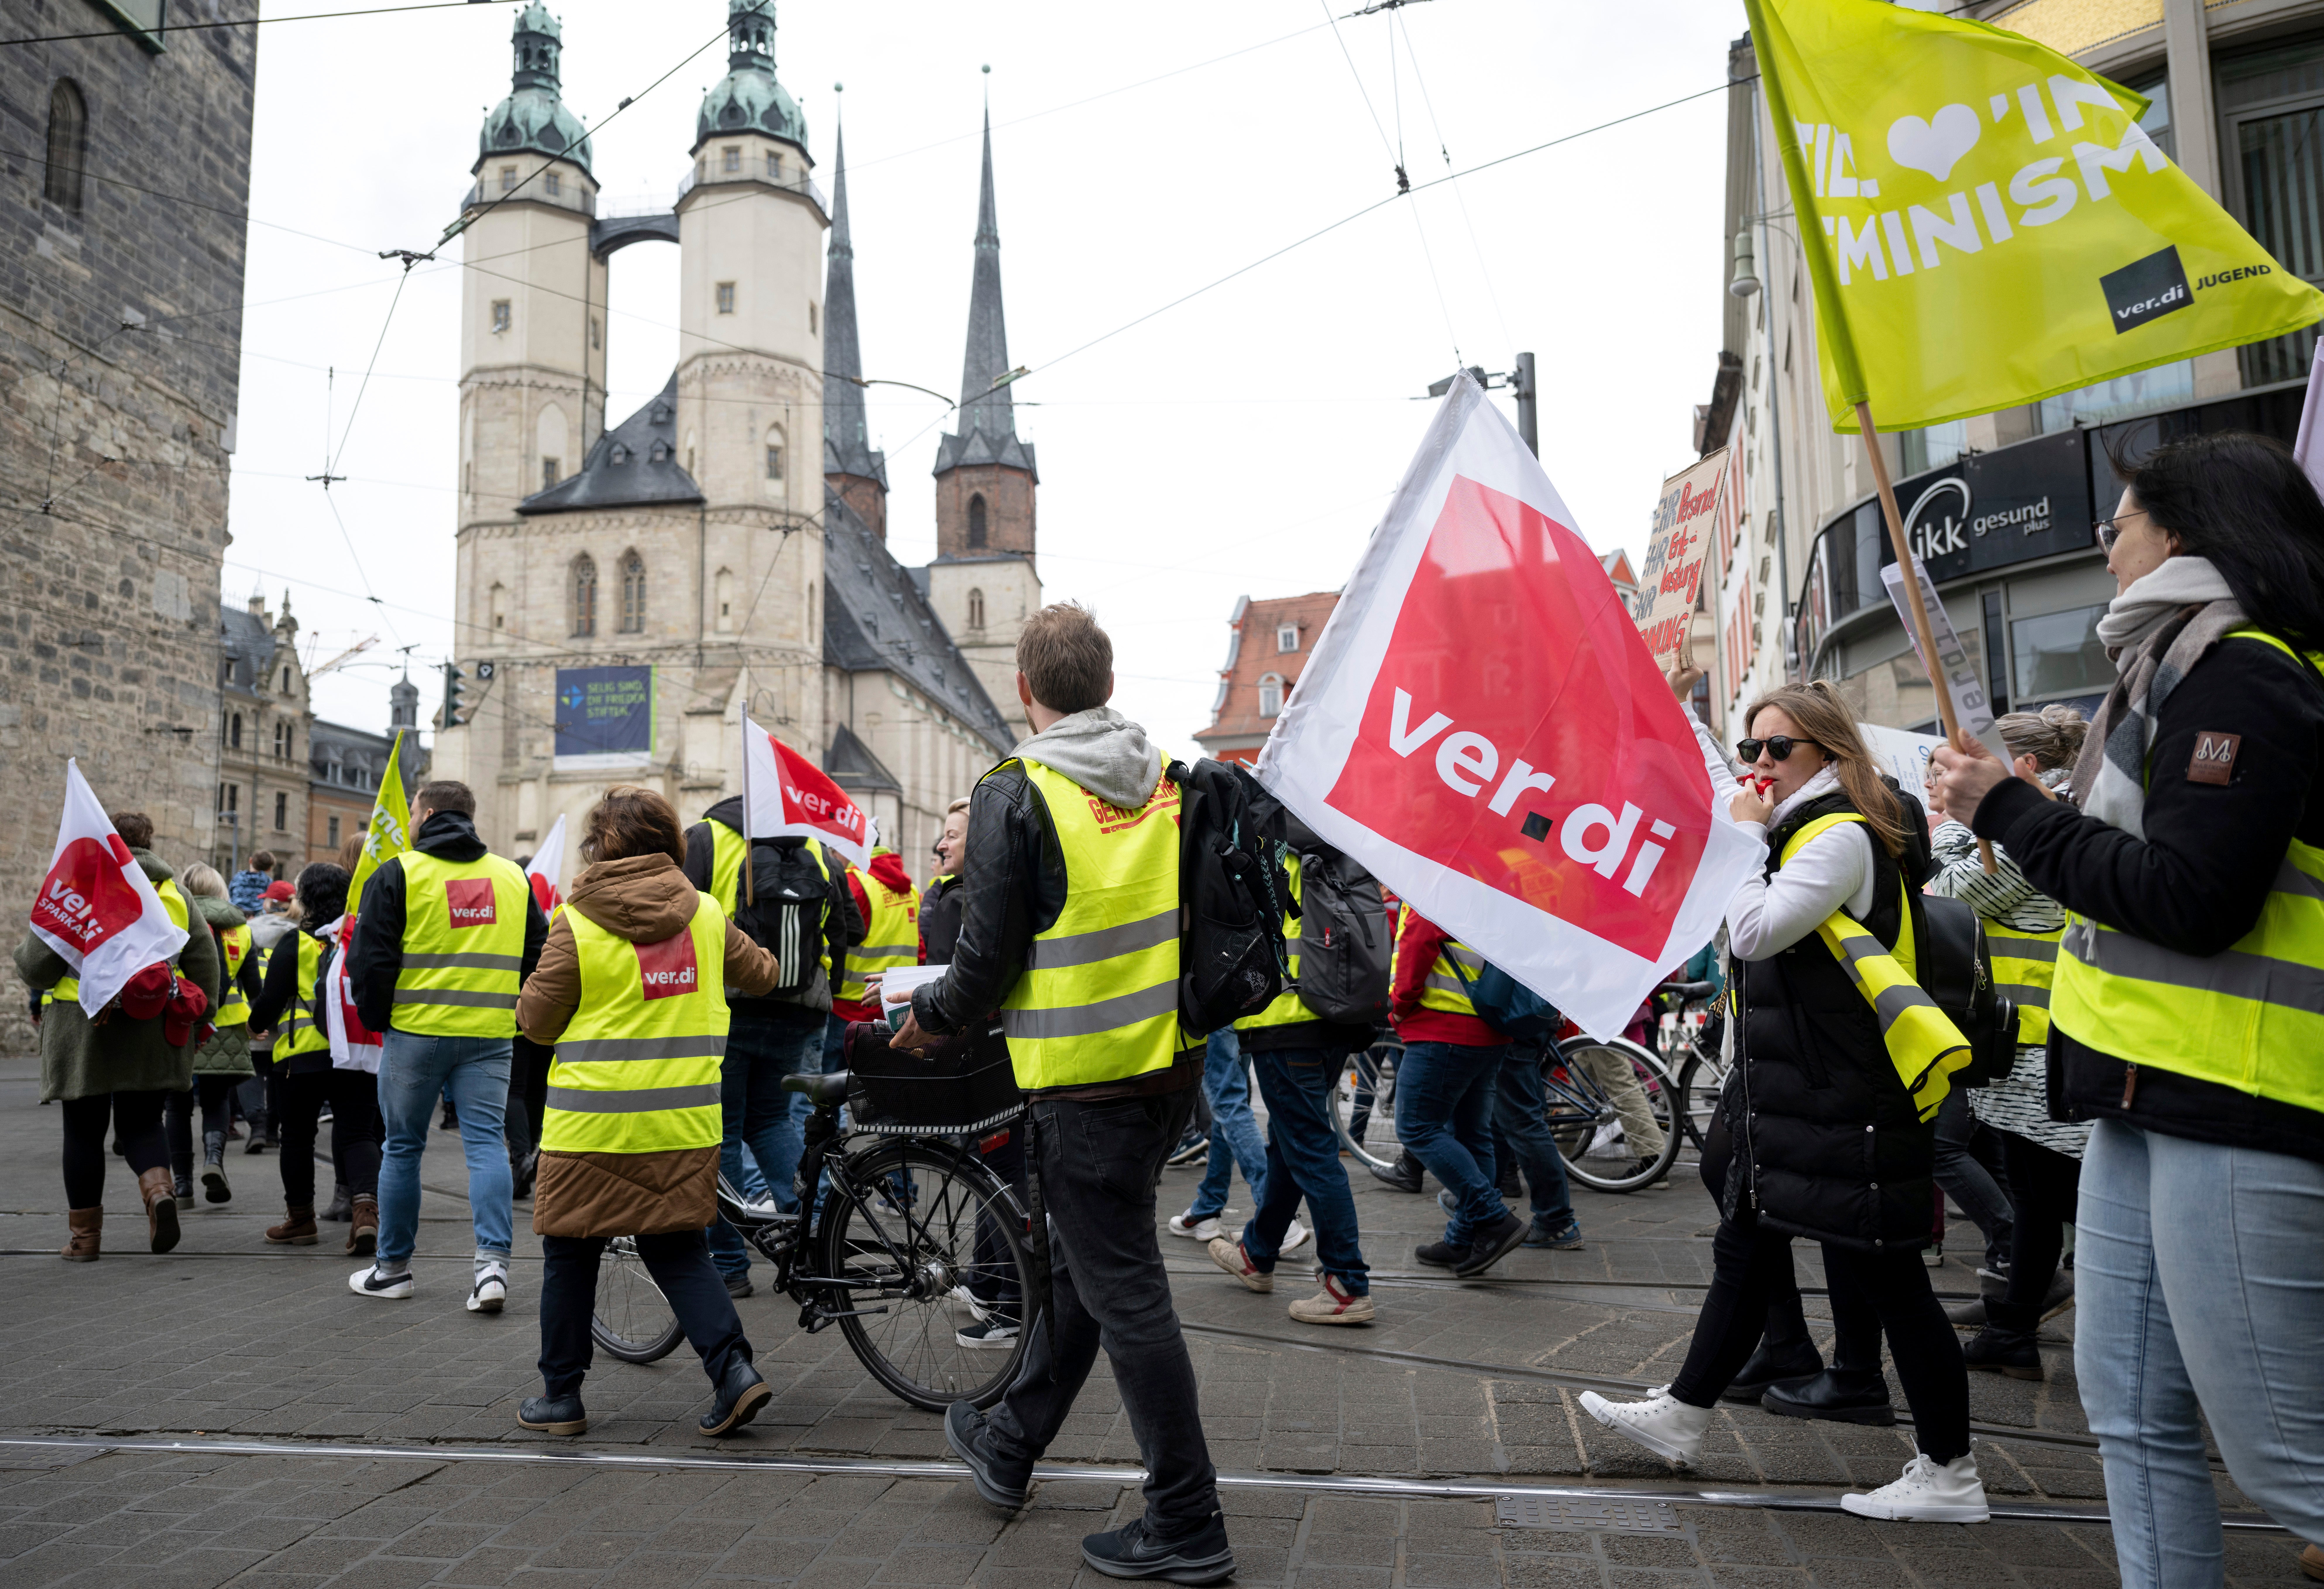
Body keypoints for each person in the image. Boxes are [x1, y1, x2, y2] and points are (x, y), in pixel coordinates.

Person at [1928, 431, 2324, 1583]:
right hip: (2141, 1092)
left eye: (2121, 521)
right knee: (2132, 1418)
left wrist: (2006, 806)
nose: (2105, 545)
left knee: (2281, 1456)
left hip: (2235, 1095)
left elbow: (2191, 899)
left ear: (2184, 531)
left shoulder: (2244, 672)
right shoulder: (2169, 673)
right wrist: (2004, 813)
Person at [1582, 679, 1987, 1524]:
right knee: (1745, 1241)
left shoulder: (1836, 833)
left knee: (1891, 1279)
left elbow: (1756, 929)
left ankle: (1949, 1470)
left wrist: (1741, 844)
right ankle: (1686, 1412)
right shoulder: (1800, 829)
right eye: (1750, 747)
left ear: (1828, 755)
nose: (1758, 764)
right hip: (1801, 1091)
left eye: (1778, 749)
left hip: (1846, 1094)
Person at [893, 602, 1234, 1584]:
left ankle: (1186, 1517)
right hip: (1168, 1069)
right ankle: (1010, 1441)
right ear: (1111, 687)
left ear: (1025, 692)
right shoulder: (1168, 782)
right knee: (1089, 1271)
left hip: (1082, 1084)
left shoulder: (1019, 789)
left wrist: (934, 1020)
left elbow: (986, 953)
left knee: (1123, 1289)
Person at [513, 786, 783, 1438]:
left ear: (598, 847)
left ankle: (561, 1398)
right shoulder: (707, 915)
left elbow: (537, 1022)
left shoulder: (575, 921)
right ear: (671, 843)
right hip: (681, 1122)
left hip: (589, 1125)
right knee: (681, 1252)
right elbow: (767, 975)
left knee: (571, 1257)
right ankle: (733, 1371)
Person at [1925, 707, 2090, 1378]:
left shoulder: (2037, 821)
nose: (1946, 780)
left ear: (2016, 765)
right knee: (2037, 1198)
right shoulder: (2041, 813)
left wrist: (1957, 825)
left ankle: (2023, 1326)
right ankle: (2012, 1328)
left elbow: (1950, 892)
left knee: (2066, 1197)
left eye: (1961, 766)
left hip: (2044, 1048)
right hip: (2031, 1047)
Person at [346, 781, 548, 1310]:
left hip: (415, 1033)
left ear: (428, 813)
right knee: (487, 1147)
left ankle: (393, 1271)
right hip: (490, 1036)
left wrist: (378, 1019)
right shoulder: (512, 877)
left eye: (413, 812)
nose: (410, 820)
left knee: (403, 1148)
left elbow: (370, 961)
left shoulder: (399, 873)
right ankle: (492, 1271)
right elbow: (539, 955)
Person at [17, 810, 222, 1260]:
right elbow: (206, 963)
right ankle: (158, 1191)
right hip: (154, 1025)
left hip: (83, 1027)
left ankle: (85, 1241)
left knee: (84, 1132)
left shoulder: (78, 887)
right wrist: (201, 1016)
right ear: (148, 842)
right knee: (144, 1122)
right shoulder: (174, 892)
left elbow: (37, 967)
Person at [681, 783, 861, 1291]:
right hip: (800, 1009)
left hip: (727, 1006)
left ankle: (729, 1267)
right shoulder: (818, 850)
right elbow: (849, 928)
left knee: (722, 1132)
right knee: (773, 1123)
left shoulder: (707, 839)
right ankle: (814, 1248)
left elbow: (677, 919)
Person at [1204, 821, 1378, 1324]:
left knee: (1311, 1151)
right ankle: (1258, 1253)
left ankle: (1347, 1284)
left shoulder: (1267, 858)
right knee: (1291, 1143)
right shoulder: (1333, 854)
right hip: (1330, 1021)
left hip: (1284, 1024)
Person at [914, 796, 1029, 1350]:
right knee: (995, 1171)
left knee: (1001, 1174)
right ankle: (989, 1286)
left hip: (984, 1058)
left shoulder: (963, 900)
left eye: (954, 836)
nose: (942, 845)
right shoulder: (979, 895)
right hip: (999, 1054)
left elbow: (961, 981)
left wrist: (915, 1003)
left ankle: (1009, 1308)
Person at [1386, 907, 1538, 1276]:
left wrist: (1397, 1008)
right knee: (1473, 1136)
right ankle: (1464, 1238)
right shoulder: (1496, 880)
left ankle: (1493, 1218)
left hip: (1443, 1027)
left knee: (1416, 1128)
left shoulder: (1433, 876)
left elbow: (1418, 940)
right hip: (1490, 1026)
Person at [247, 864, 385, 1252]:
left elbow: (269, 1002)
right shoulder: (357, 940)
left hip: (300, 1058)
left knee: (296, 1138)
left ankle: (301, 1219)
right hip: (355, 1055)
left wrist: (254, 1025)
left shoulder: (294, 943)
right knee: (358, 1134)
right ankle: (365, 1213)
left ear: (304, 899)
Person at [164, 864, 260, 1209]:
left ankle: (183, 1185)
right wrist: (259, 1023)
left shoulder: (174, 922)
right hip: (227, 1027)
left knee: (176, 1105)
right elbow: (255, 987)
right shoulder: (242, 931)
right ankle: (214, 1161)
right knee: (217, 1100)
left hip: (179, 1023)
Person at [1166, 1027, 1297, 1248]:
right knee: (1227, 1108)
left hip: (1215, 1010)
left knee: (1228, 1104)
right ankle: (1208, 1206)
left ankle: (1276, 1216)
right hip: (1245, 1011)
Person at [830, 842, 919, 1071]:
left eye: (834, 851)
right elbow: (920, 949)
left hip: (846, 1007)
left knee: (826, 1095)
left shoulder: (852, 882)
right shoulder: (910, 890)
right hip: (895, 1009)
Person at [241, 883, 298, 1155]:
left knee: (253, 1070)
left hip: (254, 1012)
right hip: (289, 1016)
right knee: (279, 1074)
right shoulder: (299, 933)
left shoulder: (249, 930)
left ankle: (258, 1128)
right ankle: (275, 1132)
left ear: (269, 904)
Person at [230, 850, 277, 916]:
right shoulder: (268, 882)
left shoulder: (238, 877)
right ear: (269, 869)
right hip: (258, 916)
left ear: (250, 860)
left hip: (237, 913)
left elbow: (230, 895)